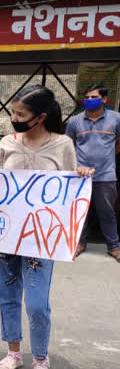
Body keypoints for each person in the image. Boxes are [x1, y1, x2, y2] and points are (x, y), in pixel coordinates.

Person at [0, 85, 89, 369]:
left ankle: (40, 360)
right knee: (8, 295)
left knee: (37, 303)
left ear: (41, 117)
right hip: (6, 237)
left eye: (20, 114)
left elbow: (69, 193)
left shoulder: (62, 145)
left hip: (42, 239)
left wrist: (82, 175)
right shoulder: (8, 142)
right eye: (13, 112)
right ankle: (13, 353)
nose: (14, 118)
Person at [66, 83, 120, 261]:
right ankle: (79, 243)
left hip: (106, 176)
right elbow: (68, 147)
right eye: (87, 98)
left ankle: (114, 247)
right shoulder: (74, 121)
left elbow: (118, 145)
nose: (89, 100)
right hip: (80, 177)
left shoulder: (116, 119)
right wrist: (77, 167)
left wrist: (105, 158)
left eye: (94, 97)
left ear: (104, 99)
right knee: (81, 212)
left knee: (107, 213)